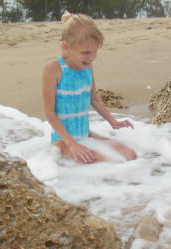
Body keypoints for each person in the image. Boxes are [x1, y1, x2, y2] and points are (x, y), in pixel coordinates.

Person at [42, 12, 137, 164]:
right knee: (116, 161)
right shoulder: (54, 68)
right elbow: (50, 114)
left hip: (87, 135)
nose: (91, 57)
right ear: (66, 46)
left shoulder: (87, 66)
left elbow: (94, 99)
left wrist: (113, 121)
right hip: (63, 142)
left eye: (95, 51)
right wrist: (72, 144)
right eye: (86, 52)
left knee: (130, 155)